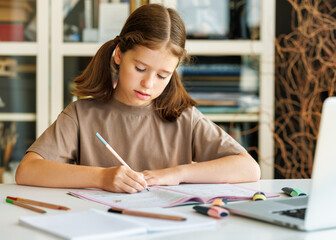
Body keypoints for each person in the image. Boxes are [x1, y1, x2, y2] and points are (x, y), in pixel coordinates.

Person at [15, 4, 260, 193]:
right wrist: (101, 177)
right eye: (140, 69)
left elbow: (249, 168)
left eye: (163, 75)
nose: (148, 84)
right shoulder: (81, 115)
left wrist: (177, 174)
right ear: (119, 55)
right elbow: (27, 171)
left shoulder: (184, 118)